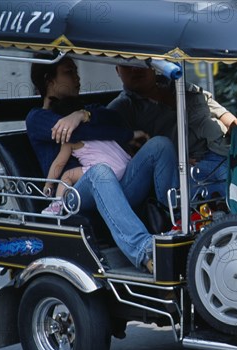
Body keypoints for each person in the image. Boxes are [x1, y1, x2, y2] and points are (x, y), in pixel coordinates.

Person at [26, 56, 179, 273]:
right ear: (48, 80)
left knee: (160, 145)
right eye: (69, 72)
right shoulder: (37, 118)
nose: (77, 78)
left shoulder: (87, 109)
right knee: (100, 172)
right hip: (73, 194)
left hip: (115, 182)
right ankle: (145, 251)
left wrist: (81, 114)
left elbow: (117, 123)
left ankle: (176, 222)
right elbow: (81, 133)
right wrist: (81, 122)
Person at [108, 65, 237, 198]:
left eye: (140, 63)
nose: (135, 69)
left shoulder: (181, 85)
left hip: (223, 152)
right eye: (127, 65)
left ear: (153, 65)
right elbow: (126, 159)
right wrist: (172, 161)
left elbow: (219, 111)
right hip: (184, 172)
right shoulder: (120, 109)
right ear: (117, 71)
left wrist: (235, 125)